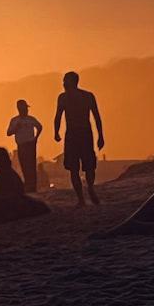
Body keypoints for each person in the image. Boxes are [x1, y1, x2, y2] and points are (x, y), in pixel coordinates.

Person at [53, 71, 104, 206]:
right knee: (75, 167)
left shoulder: (84, 96)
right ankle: (82, 197)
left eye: (65, 81)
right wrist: (56, 132)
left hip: (82, 134)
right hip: (76, 134)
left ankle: (89, 190)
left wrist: (101, 136)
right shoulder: (66, 97)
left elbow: (96, 116)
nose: (63, 83)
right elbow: (58, 116)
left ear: (72, 82)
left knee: (86, 166)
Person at [6, 100, 43, 192]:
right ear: (19, 109)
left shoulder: (30, 119)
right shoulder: (15, 120)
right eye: (24, 108)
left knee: (31, 165)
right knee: (24, 165)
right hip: (21, 145)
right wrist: (16, 128)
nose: (26, 110)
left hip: (30, 144)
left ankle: (32, 186)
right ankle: (28, 185)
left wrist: (35, 138)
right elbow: (8, 133)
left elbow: (39, 127)